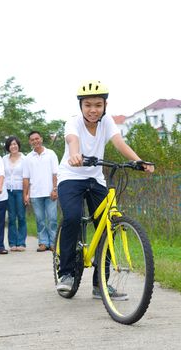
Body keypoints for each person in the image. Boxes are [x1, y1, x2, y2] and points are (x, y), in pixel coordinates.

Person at [56, 80, 155, 298]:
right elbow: (72, 140)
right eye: (88, 105)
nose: (93, 110)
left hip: (95, 178)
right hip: (70, 176)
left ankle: (100, 284)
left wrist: (140, 161)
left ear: (105, 105)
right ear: (81, 106)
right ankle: (66, 273)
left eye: (98, 105)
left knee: (110, 223)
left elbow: (119, 143)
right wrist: (75, 154)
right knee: (72, 218)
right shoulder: (72, 123)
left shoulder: (107, 122)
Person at [23, 131, 59, 252]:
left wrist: (55, 189)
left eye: (37, 138)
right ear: (30, 142)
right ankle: (43, 242)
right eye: (32, 140)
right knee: (40, 219)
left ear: (41, 139)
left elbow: (55, 173)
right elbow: (26, 178)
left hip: (50, 193)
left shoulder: (51, 154)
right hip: (35, 194)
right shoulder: (28, 157)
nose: (35, 141)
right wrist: (26, 194)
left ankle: (53, 242)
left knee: (52, 219)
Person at [3, 136, 27, 252]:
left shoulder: (25, 159)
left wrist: (27, 194)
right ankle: (12, 243)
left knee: (21, 217)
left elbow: (28, 178)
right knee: (11, 218)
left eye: (15, 144)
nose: (13, 146)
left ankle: (21, 243)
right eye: (11, 144)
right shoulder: (4, 159)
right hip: (8, 191)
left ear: (18, 145)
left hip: (20, 190)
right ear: (8, 147)